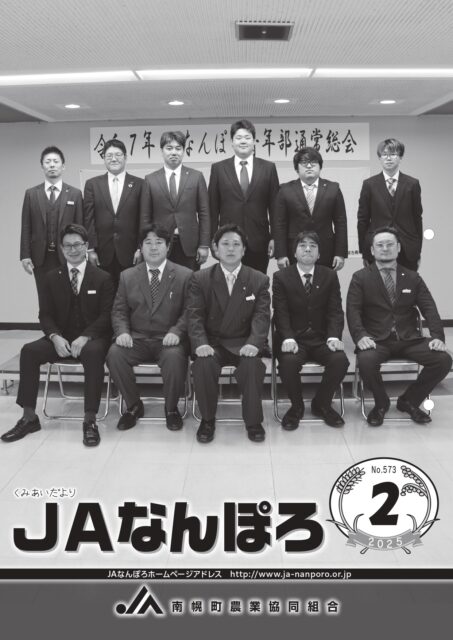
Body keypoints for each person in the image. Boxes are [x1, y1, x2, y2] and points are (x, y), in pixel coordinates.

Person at [3, 224, 114, 446]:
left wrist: (86, 336)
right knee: (29, 351)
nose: (73, 250)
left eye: (77, 244)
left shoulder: (103, 277)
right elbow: (44, 314)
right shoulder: (51, 277)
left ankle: (90, 420)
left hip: (92, 338)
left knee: (93, 354)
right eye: (68, 246)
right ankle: (29, 417)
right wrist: (54, 336)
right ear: (62, 249)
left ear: (86, 246)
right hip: (61, 337)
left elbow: (107, 315)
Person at [347, 226, 451, 426]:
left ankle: (410, 401)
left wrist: (438, 337)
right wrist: (360, 336)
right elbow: (353, 311)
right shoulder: (360, 277)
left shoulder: (412, 277)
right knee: (366, 361)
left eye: (390, 244)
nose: (385, 248)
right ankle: (381, 403)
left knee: (443, 360)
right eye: (380, 245)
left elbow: (429, 308)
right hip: (376, 339)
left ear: (398, 248)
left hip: (409, 338)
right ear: (372, 250)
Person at [187, 223, 270, 443]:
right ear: (215, 249)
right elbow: (194, 315)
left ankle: (253, 422)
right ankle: (207, 420)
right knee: (203, 364)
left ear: (244, 249)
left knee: (253, 366)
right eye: (225, 244)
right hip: (212, 343)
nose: (230, 248)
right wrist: (200, 343)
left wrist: (254, 343)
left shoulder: (258, 279)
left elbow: (262, 316)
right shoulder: (200, 278)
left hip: (244, 342)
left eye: (236, 244)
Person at [106, 224, 192, 431]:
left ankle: (171, 409)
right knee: (115, 354)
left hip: (168, 339)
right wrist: (122, 332)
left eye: (159, 242)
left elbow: (191, 311)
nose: (153, 247)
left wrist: (176, 331)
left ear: (168, 247)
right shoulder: (127, 276)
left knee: (174, 357)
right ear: (141, 248)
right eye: (148, 243)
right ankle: (134, 406)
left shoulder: (185, 275)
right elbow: (119, 310)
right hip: (137, 338)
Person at [273, 231, 349, 429]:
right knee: (288, 363)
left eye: (313, 246)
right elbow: (280, 312)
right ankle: (296, 407)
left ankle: (322, 404)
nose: (308, 249)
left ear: (319, 254)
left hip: (321, 339)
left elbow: (335, 310)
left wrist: (333, 337)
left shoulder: (329, 275)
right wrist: (287, 338)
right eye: (302, 245)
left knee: (340, 360)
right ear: (294, 253)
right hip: (294, 339)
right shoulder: (281, 277)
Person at [208, 119, 279, 274]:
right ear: (232, 142)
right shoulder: (218, 169)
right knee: (229, 284)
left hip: (259, 241)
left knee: (258, 283)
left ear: (254, 141)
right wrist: (212, 239)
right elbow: (212, 209)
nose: (243, 141)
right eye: (238, 138)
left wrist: (275, 237)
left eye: (247, 138)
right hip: (227, 241)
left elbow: (275, 208)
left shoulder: (268, 168)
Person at [20, 146, 84, 306]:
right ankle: (48, 324)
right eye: (48, 162)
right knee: (44, 299)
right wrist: (25, 255)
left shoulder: (75, 194)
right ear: (42, 166)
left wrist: (82, 254)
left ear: (63, 166)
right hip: (40, 257)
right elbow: (26, 226)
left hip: (68, 255)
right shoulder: (31, 194)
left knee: (68, 298)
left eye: (56, 161)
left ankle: (67, 324)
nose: (52, 165)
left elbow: (80, 227)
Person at [140, 130, 210, 271]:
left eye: (178, 148)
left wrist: (204, 245)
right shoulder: (150, 179)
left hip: (190, 245)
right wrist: (145, 245)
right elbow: (145, 217)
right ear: (162, 150)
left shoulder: (196, 177)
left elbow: (204, 213)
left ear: (183, 151)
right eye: (169, 148)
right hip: (159, 244)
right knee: (161, 282)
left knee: (190, 282)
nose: (174, 152)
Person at [274, 147, 348, 271]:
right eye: (304, 163)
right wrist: (281, 254)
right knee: (295, 282)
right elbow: (279, 224)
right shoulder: (285, 190)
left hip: (325, 251)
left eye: (313, 163)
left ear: (320, 167)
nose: (309, 166)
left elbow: (341, 223)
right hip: (294, 251)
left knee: (325, 282)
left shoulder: (333, 189)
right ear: (296, 168)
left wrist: (340, 253)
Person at [83, 139, 143, 288]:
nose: (114, 159)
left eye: (118, 155)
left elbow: (143, 218)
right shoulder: (92, 184)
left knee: (130, 293)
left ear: (125, 157)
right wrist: (90, 249)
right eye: (109, 156)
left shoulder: (140, 184)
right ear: (104, 158)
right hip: (101, 253)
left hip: (131, 253)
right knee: (105, 294)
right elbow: (88, 218)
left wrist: (140, 248)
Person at [357, 138, 423, 271]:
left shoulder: (412, 184)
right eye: (384, 154)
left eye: (393, 154)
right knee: (377, 283)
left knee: (407, 283)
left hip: (407, 248)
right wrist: (364, 251)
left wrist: (417, 249)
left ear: (400, 157)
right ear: (379, 158)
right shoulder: (369, 184)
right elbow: (363, 219)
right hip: (378, 246)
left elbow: (417, 218)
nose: (388, 158)